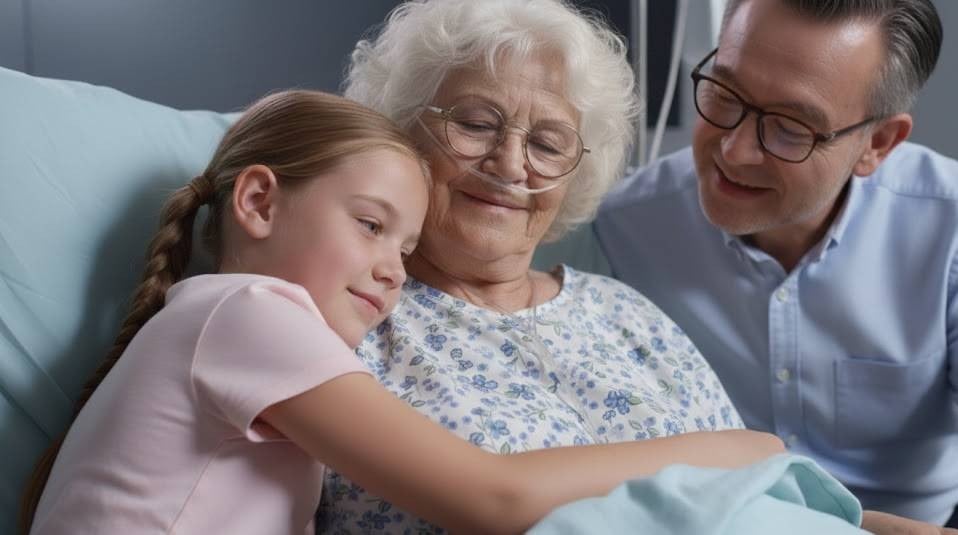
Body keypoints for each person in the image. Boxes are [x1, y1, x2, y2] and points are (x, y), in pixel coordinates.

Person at [19, 89, 788, 535]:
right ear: (257, 201)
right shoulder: (248, 312)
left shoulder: (232, 327)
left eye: (408, 245)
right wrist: (735, 450)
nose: (393, 270)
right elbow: (491, 494)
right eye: (370, 225)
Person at [315, 0, 768, 532]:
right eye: (476, 124)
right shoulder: (349, 313)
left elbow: (755, 493)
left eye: (548, 145)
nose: (510, 164)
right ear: (401, 134)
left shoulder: (624, 312)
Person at [595, 0, 958, 528]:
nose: (735, 151)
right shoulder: (618, 228)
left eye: (790, 127)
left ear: (876, 143)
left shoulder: (948, 230)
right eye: (724, 94)